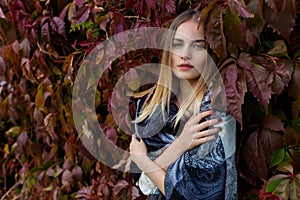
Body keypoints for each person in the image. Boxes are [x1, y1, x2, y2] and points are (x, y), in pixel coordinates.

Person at [129, 9, 237, 200]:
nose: (185, 54)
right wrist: (180, 145)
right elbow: (140, 181)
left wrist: (145, 162)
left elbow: (193, 196)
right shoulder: (151, 108)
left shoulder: (215, 112)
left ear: (210, 53)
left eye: (197, 46)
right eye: (178, 45)